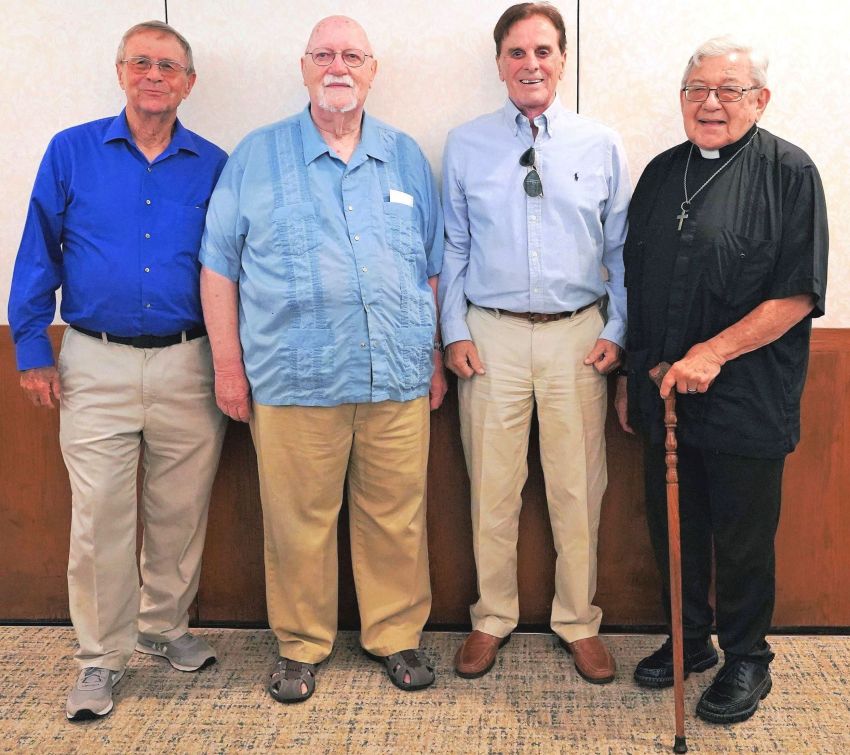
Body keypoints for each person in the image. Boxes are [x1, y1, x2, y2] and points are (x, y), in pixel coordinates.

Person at [199, 15, 445, 703]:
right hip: (292, 379)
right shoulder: (257, 156)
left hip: (394, 375)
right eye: (325, 55)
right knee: (297, 523)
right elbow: (218, 268)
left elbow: (430, 267)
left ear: (373, 70)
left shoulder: (404, 156)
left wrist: (430, 357)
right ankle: (301, 645)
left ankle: (395, 634)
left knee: (397, 516)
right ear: (304, 68)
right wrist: (227, 368)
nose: (339, 67)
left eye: (353, 56)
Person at [7, 21, 228, 721]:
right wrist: (32, 348)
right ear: (121, 71)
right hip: (94, 362)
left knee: (180, 508)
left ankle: (163, 626)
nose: (153, 75)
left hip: (190, 361)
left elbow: (231, 265)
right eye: (141, 62)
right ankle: (100, 657)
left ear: (188, 83)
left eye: (168, 66)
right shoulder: (71, 151)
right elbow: (38, 249)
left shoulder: (214, 163)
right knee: (99, 514)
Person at [617, 36, 828, 724]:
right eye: (697, 90)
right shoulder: (660, 173)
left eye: (728, 90)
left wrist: (714, 350)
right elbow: (635, 281)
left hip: (747, 394)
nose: (710, 103)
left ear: (759, 100)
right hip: (664, 394)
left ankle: (747, 658)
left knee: (741, 537)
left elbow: (798, 292)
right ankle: (689, 640)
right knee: (674, 527)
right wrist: (630, 375)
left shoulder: (790, 173)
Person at [439, 2, 630, 683]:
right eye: (516, 52)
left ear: (563, 59)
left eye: (543, 51)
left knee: (577, 491)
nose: (530, 64)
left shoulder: (600, 143)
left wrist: (617, 329)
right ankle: (492, 617)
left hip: (577, 337)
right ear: (499, 64)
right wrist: (453, 329)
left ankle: (578, 621)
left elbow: (621, 250)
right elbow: (453, 244)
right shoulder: (465, 143)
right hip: (489, 337)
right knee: (492, 490)